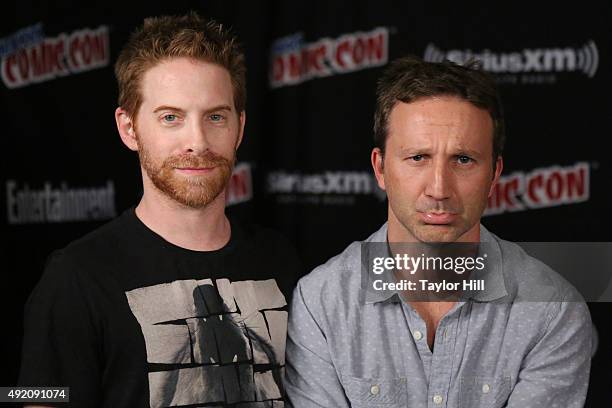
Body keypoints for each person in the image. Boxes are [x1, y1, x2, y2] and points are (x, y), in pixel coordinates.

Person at [19, 13, 300, 407]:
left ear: (240, 127)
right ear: (129, 128)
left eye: (215, 117)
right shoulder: (75, 278)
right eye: (171, 117)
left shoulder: (283, 260)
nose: (197, 141)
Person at [284, 56, 592, 407]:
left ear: (494, 174)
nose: (439, 189)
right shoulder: (321, 304)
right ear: (380, 168)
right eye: (418, 158)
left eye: (463, 159)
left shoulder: (551, 311)